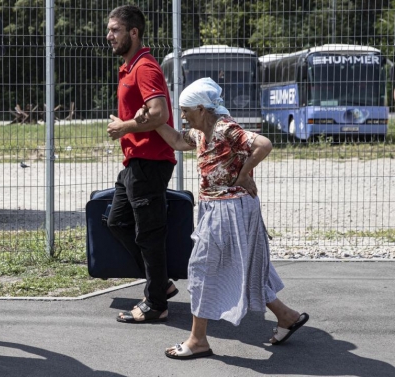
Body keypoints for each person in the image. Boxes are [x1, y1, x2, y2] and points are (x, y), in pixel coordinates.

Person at [142, 77, 309, 359]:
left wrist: (244, 174)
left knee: (201, 269)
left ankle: (198, 340)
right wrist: (153, 120)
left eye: (185, 110)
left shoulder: (223, 127)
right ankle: (287, 317)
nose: (182, 115)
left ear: (202, 109)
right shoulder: (202, 132)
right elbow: (175, 140)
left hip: (229, 208)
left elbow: (264, 144)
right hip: (222, 208)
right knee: (247, 266)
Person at [105, 5, 178, 323]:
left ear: (133, 33)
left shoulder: (145, 68)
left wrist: (124, 127)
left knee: (149, 234)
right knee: (117, 222)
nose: (109, 36)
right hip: (135, 163)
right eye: (109, 30)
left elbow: (159, 112)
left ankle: (156, 304)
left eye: (115, 30)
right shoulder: (128, 68)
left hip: (150, 162)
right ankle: (160, 285)